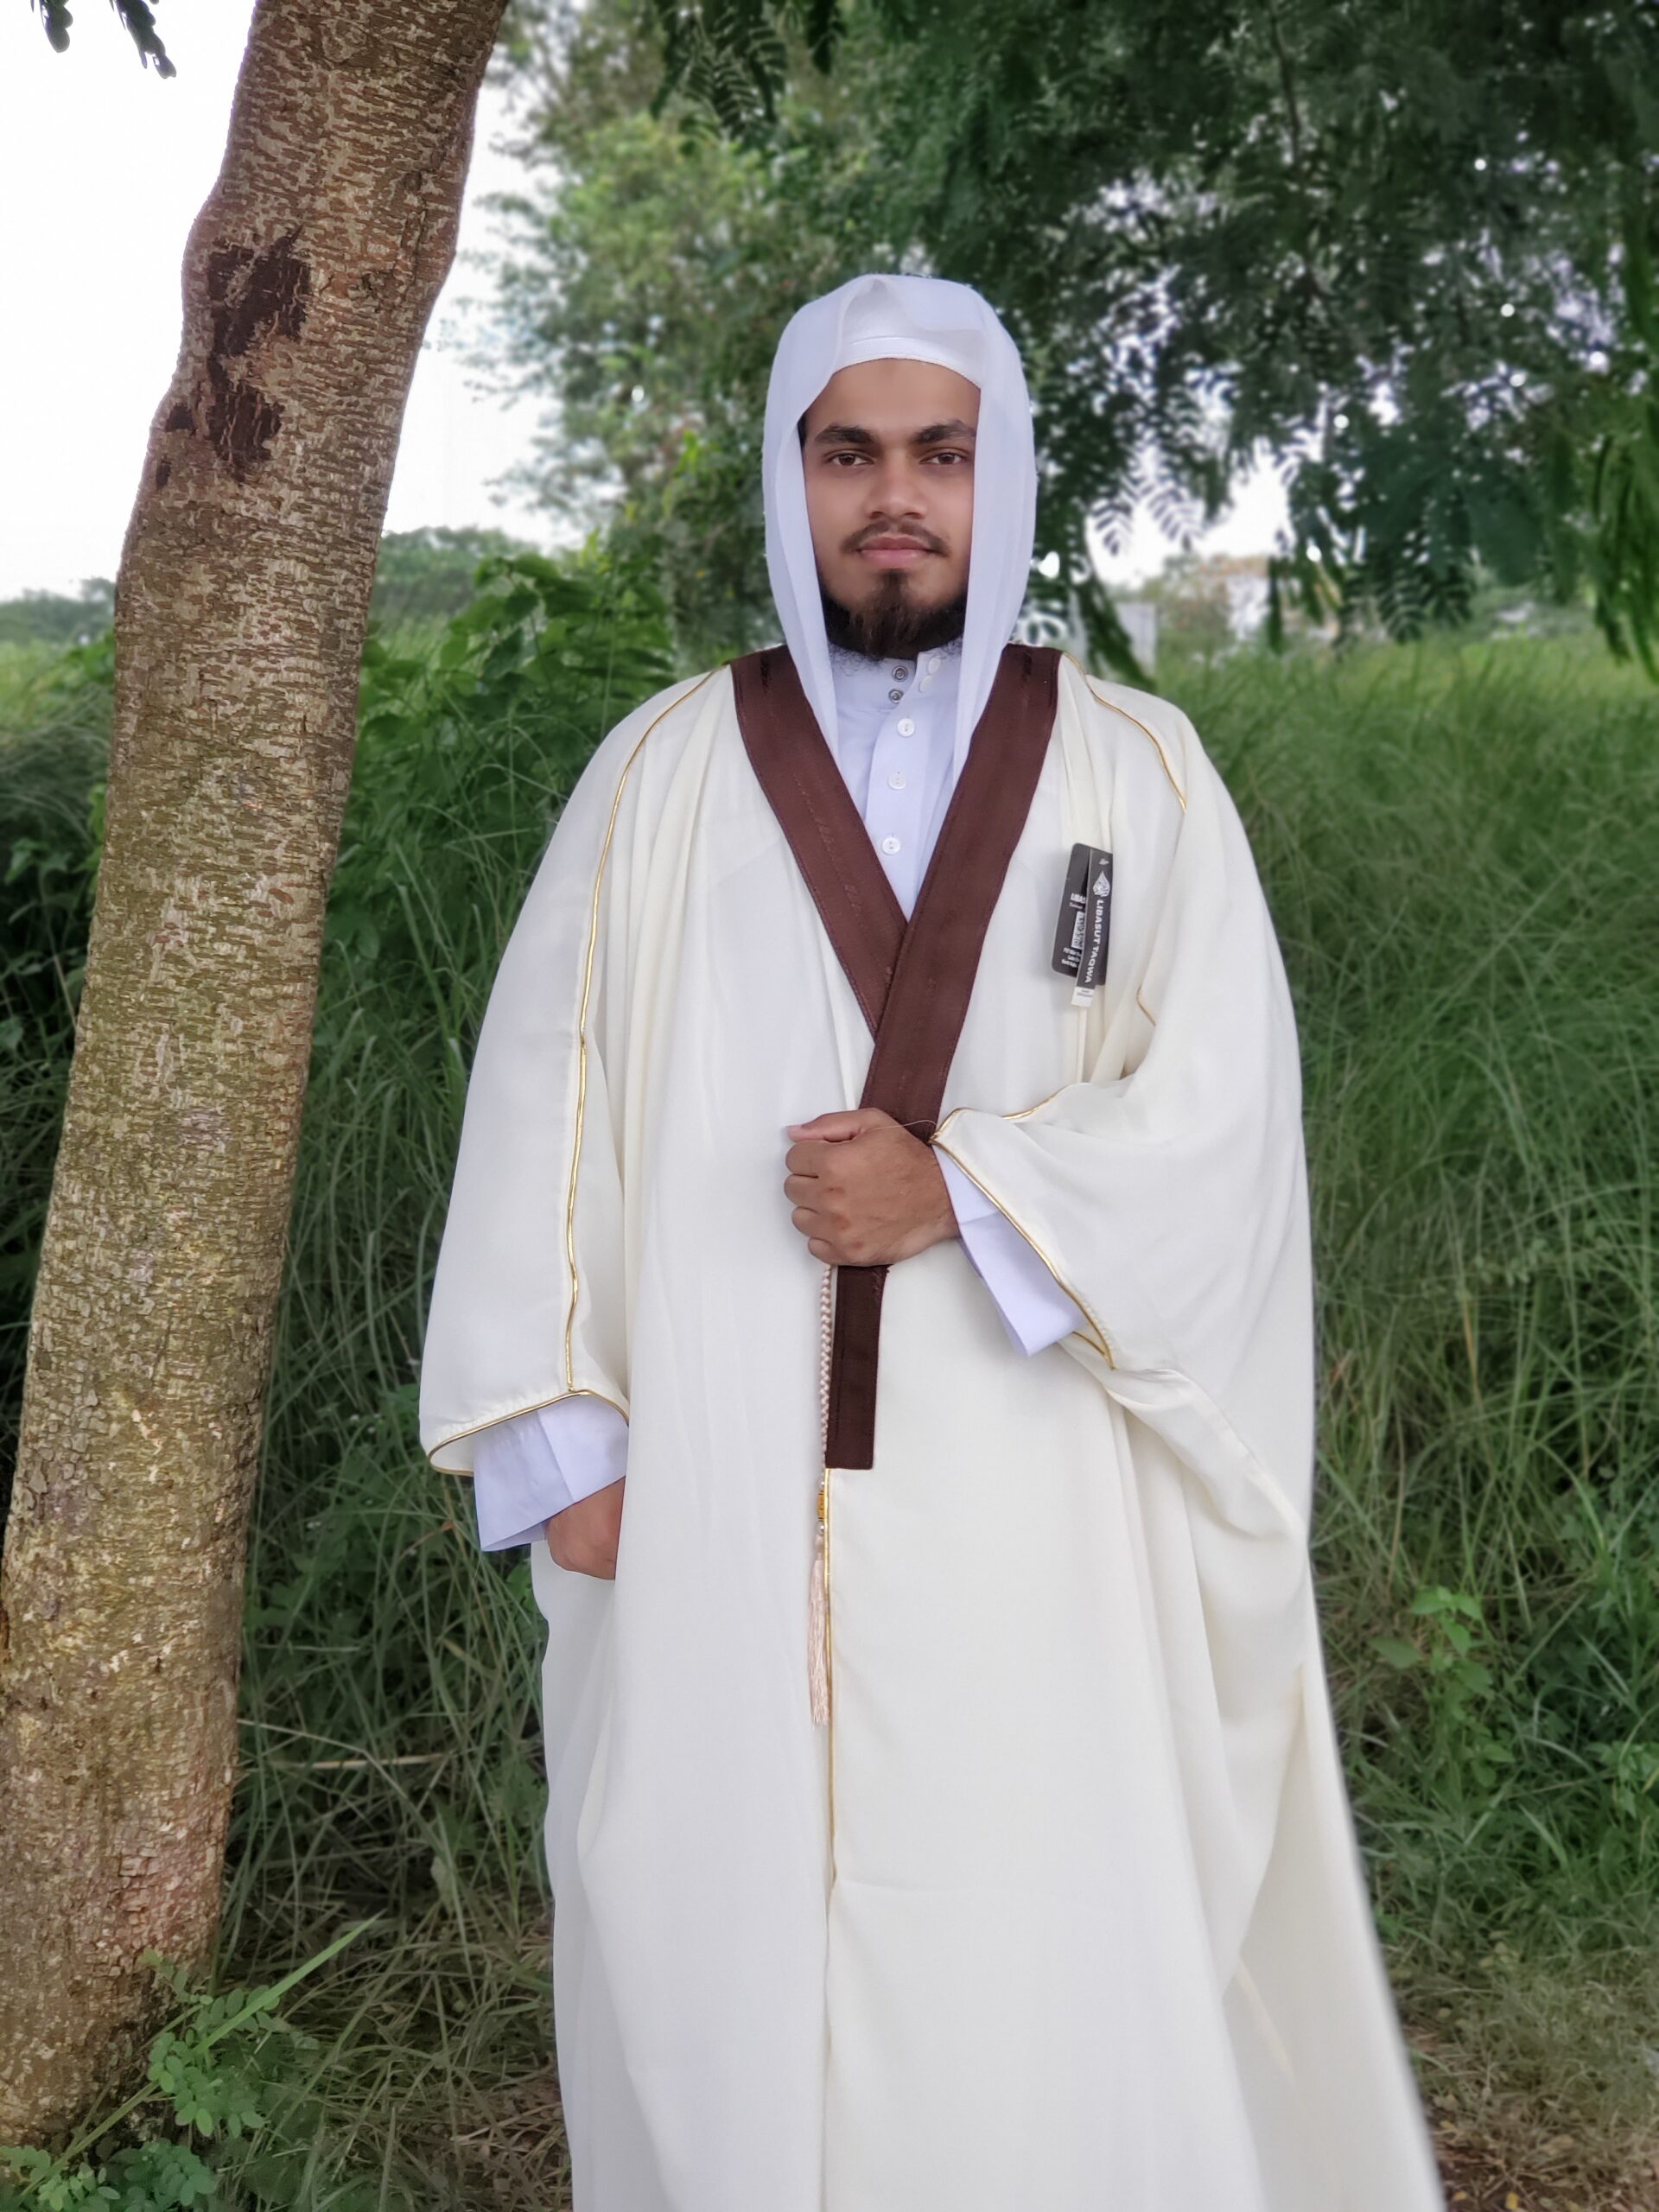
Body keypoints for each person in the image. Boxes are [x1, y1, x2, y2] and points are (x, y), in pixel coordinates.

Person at [417, 271, 1446, 2212]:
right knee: (717, 1955)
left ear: (1003, 474)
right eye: (851, 454)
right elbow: (545, 1105)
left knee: (1033, 1950)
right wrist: (567, 1443)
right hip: (721, 1494)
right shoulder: (659, 772)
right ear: (791, 479)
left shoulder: (1137, 771)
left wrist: (960, 1192)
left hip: (1042, 1499)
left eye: (940, 454)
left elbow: (1222, 1122)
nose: (896, 496)